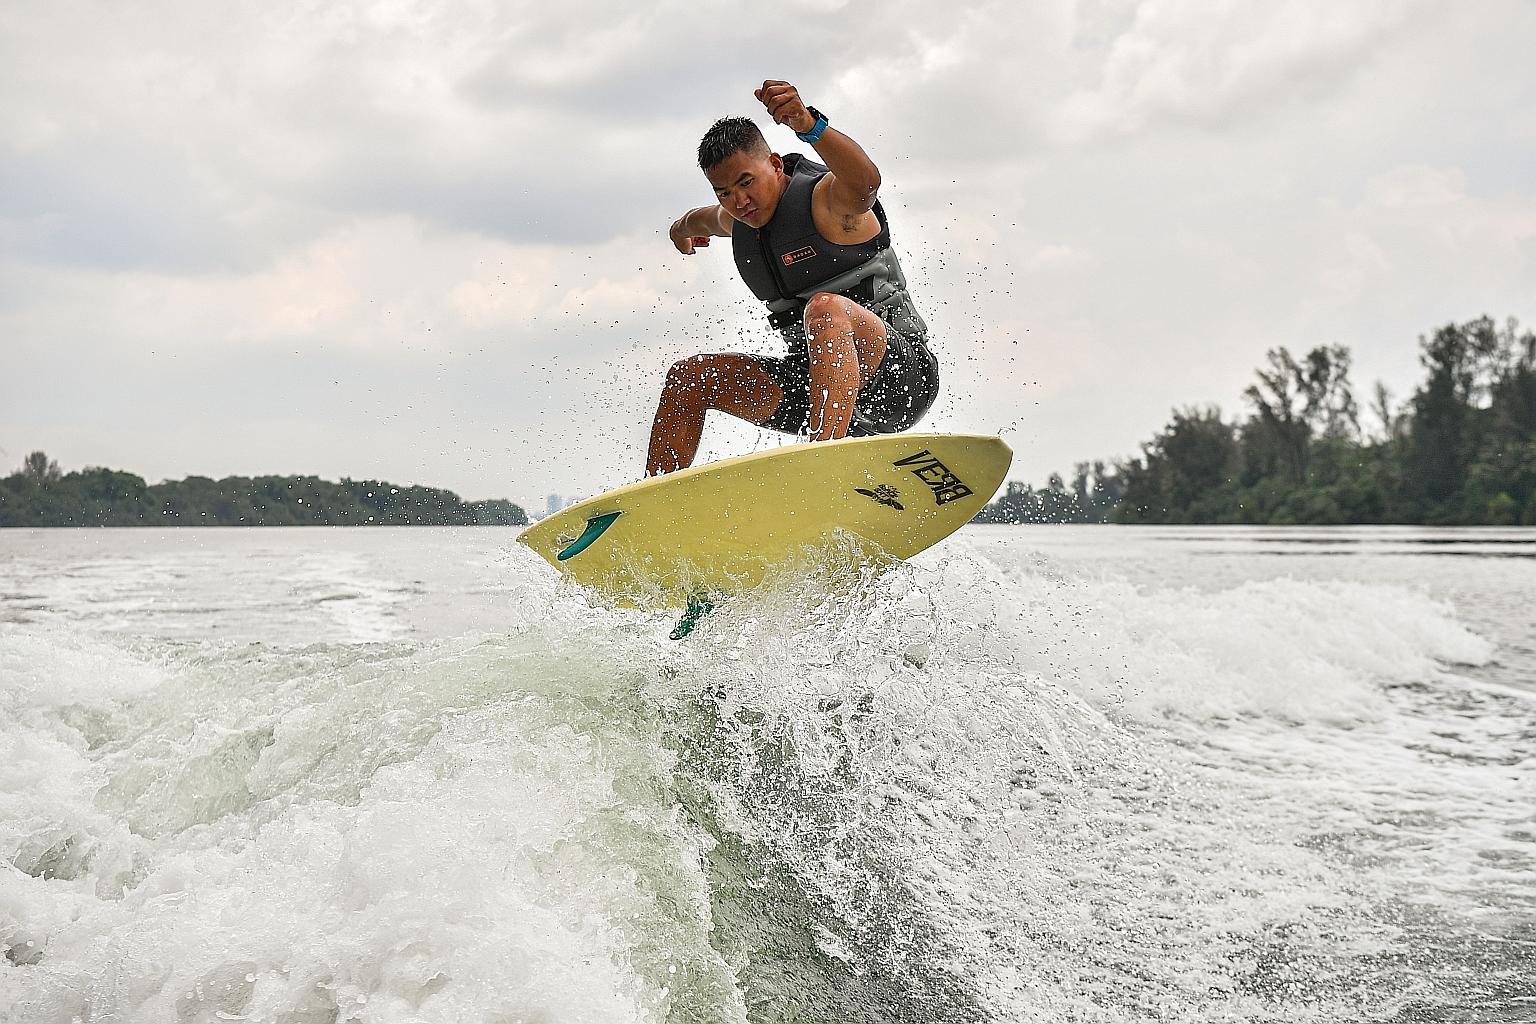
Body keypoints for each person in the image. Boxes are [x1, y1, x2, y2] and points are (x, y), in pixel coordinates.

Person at [644, 79, 940, 476]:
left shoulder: (829, 202)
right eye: (724, 193)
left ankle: (823, 464)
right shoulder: (736, 218)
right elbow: (702, 220)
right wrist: (679, 230)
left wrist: (807, 125)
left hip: (899, 382)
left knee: (825, 308)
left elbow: (866, 181)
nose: (739, 202)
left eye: (746, 182)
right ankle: (653, 506)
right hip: (816, 388)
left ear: (777, 164)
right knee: (690, 377)